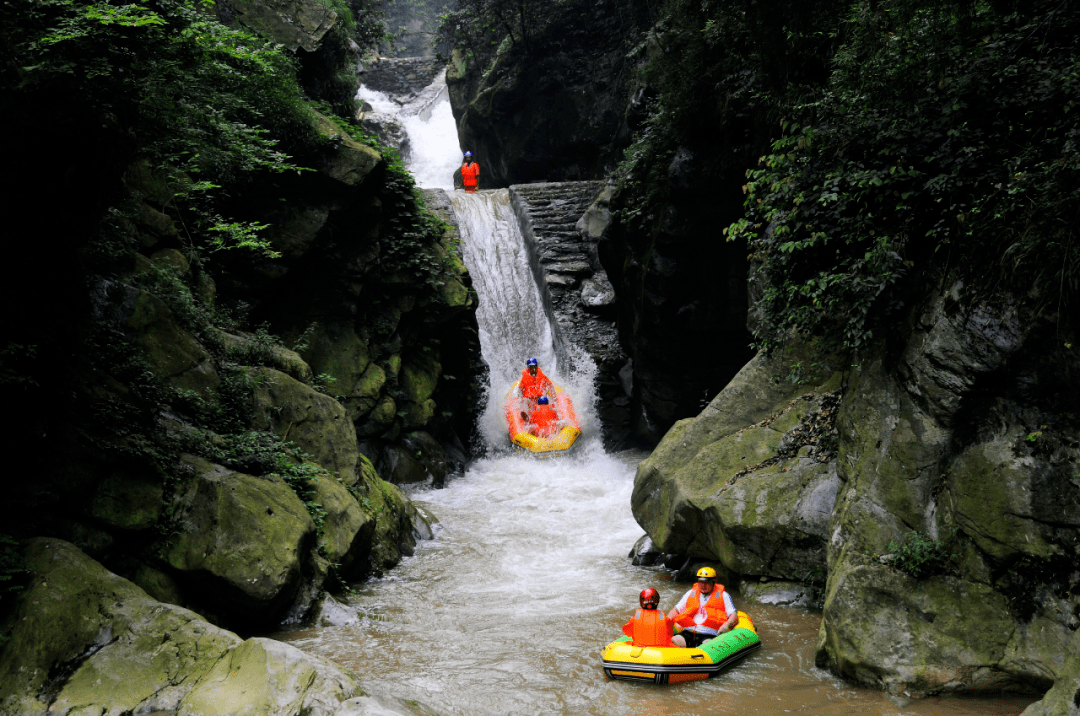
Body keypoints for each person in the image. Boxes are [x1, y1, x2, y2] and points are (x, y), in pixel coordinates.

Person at [667, 567, 738, 648]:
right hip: (688, 632)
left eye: (707, 582)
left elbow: (733, 615)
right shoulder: (690, 593)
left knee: (707, 646)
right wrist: (667, 620)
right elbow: (676, 610)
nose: (703, 585)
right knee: (673, 641)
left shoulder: (724, 595)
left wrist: (727, 625)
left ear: (714, 582)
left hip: (708, 635)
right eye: (701, 582)